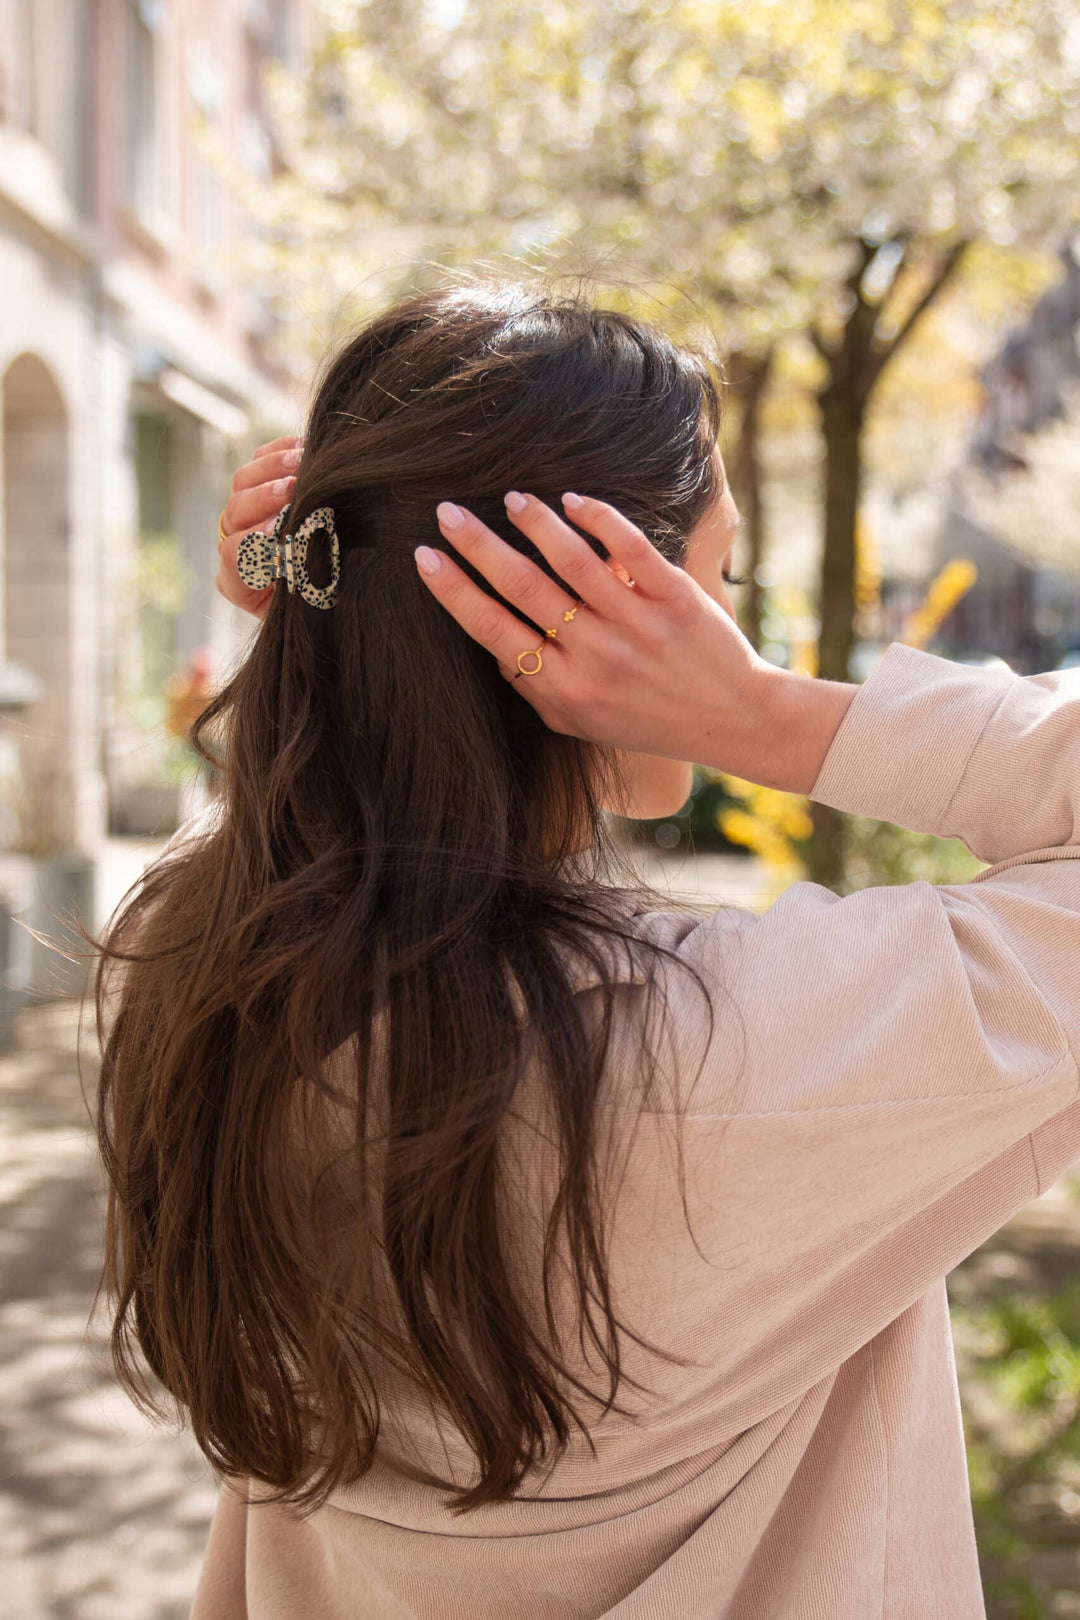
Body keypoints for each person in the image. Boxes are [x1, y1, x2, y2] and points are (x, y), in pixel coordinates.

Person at [94, 281, 1080, 1620]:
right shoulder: (758, 1047)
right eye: (719, 582)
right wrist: (768, 715)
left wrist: (343, 645)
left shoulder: (199, 969)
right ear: (619, 618)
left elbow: (310, 816)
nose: (731, 622)